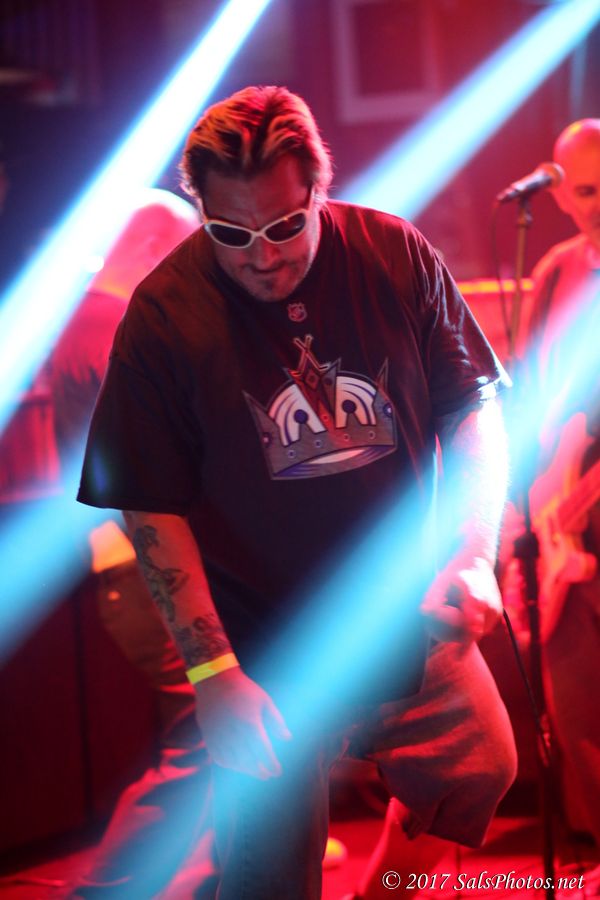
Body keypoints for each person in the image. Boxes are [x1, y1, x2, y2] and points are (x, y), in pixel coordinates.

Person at [77, 85, 517, 900]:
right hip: (262, 643)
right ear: (199, 210)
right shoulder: (164, 314)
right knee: (270, 873)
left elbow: (473, 405)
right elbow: (150, 504)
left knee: (480, 767)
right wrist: (213, 672)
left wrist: (473, 551)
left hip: (403, 610)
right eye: (231, 234)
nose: (262, 256)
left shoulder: (393, 253)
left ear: (319, 190)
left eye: (284, 226)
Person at [47, 188, 220, 899]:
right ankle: (108, 887)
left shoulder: (83, 324)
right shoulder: (114, 325)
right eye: (182, 252)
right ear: (153, 246)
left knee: (220, 725)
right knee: (207, 729)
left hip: (132, 570)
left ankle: (234, 867)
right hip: (149, 572)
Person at [516, 118, 600, 856]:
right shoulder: (555, 272)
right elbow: (530, 395)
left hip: (588, 494)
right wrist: (537, 501)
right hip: (563, 515)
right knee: (574, 705)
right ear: (561, 194)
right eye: (588, 191)